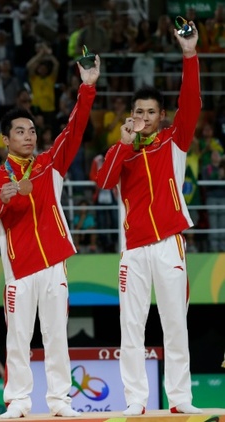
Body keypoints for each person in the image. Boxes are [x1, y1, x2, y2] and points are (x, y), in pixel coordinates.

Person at [0, 54, 100, 419]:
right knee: (18, 339)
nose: (28, 136)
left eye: (31, 131)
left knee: (57, 336)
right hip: (19, 271)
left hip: (54, 265)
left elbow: (74, 129)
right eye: (19, 131)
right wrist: (3, 198)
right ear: (5, 139)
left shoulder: (50, 164)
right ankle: (18, 402)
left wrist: (87, 87)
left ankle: (60, 401)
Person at [95, 21, 202, 416]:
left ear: (161, 116)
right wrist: (122, 146)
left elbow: (191, 102)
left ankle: (180, 400)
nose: (144, 116)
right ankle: (136, 401)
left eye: (151, 111)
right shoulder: (120, 152)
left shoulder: (175, 141)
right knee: (131, 329)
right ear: (131, 116)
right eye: (138, 111)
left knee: (175, 324)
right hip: (133, 249)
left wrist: (189, 56)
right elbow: (105, 182)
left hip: (169, 243)